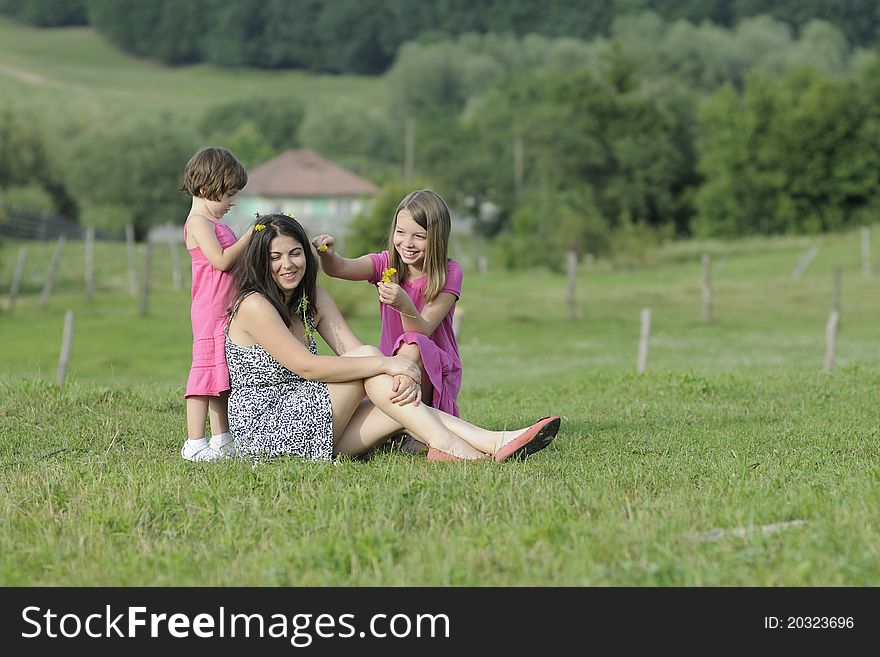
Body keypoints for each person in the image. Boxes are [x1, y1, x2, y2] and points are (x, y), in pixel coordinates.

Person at [225, 213, 561, 463]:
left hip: (315, 428)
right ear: (260, 261)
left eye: (295, 253)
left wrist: (394, 372)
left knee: (394, 400)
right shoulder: (255, 305)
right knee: (373, 361)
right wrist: (391, 363)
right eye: (275, 257)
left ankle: (494, 441)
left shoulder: (314, 298)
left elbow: (353, 353)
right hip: (266, 430)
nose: (288, 264)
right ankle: (455, 447)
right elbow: (309, 367)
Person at [312, 189, 463, 451]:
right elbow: (340, 268)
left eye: (419, 236)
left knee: (414, 344)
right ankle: (405, 428)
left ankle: (412, 429)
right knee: (395, 363)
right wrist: (327, 255)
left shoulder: (449, 273)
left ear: (436, 239)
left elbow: (422, 331)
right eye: (401, 233)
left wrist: (404, 304)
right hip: (393, 370)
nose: (407, 242)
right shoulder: (385, 264)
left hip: (432, 370)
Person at [179, 146, 254, 462]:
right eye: (228, 195)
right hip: (210, 310)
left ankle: (222, 439)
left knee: (221, 378)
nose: (232, 202)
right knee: (204, 377)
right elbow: (221, 261)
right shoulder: (198, 223)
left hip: (226, 309)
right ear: (208, 187)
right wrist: (249, 236)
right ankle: (194, 444)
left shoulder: (215, 223)